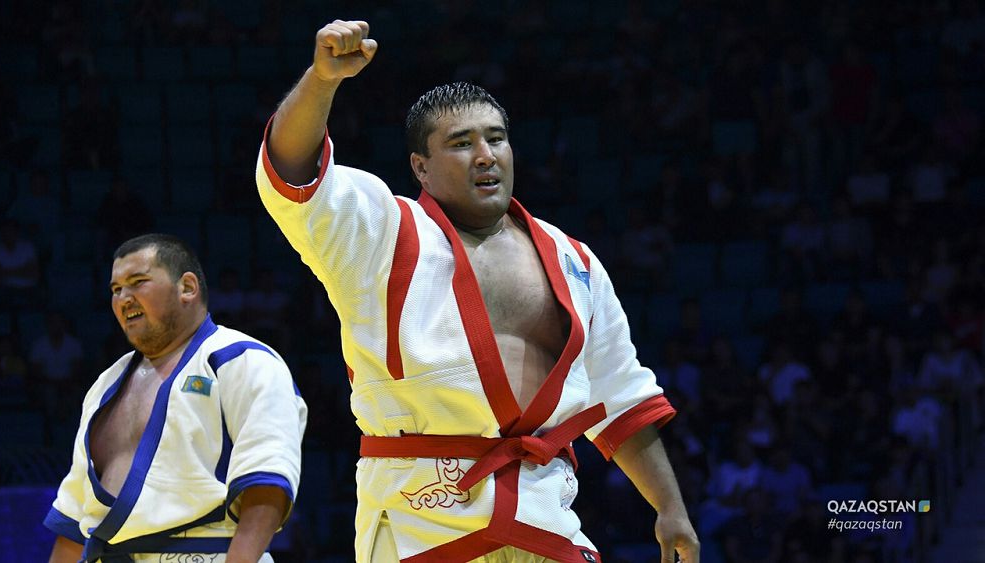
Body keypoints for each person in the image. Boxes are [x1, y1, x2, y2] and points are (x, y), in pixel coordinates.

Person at [257, 19, 698, 562]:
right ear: (421, 167)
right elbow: (294, 175)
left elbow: (619, 392)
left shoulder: (574, 261)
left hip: (545, 518)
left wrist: (669, 506)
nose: (486, 154)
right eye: (461, 144)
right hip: (422, 522)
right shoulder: (383, 233)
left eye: (496, 138)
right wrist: (322, 81)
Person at [44, 234, 308, 563]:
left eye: (138, 282)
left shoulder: (243, 360)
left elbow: (267, 484)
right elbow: (75, 520)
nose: (124, 298)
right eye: (116, 289)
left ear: (187, 287)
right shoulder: (105, 385)